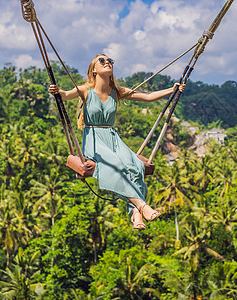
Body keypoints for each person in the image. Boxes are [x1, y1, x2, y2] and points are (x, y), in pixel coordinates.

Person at [49, 54, 185, 230]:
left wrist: (172, 90)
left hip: (113, 138)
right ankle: (142, 206)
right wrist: (56, 91)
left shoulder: (117, 91)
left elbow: (149, 97)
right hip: (94, 138)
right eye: (102, 61)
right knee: (115, 165)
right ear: (94, 70)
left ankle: (135, 214)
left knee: (135, 165)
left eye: (110, 61)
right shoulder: (85, 90)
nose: (107, 63)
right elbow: (65, 95)